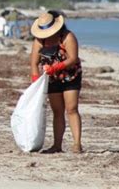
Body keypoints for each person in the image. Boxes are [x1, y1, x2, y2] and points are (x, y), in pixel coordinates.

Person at [29, 10, 83, 154]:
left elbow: (73, 59)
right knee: (57, 111)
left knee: (72, 109)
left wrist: (57, 67)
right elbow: (34, 63)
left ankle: (77, 144)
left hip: (70, 76)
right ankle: (57, 145)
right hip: (52, 79)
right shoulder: (40, 41)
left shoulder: (67, 37)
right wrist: (35, 81)